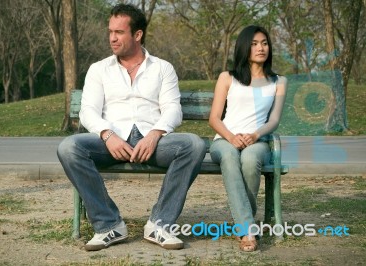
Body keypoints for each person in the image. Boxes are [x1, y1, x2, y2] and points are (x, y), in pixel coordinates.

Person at [57, 4, 206, 251]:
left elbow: (172, 110)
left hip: (153, 143)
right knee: (69, 147)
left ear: (137, 35)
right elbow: (88, 112)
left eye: (119, 32)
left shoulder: (162, 68)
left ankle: (160, 225)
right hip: (111, 143)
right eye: (110, 31)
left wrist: (155, 134)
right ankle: (109, 226)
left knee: (194, 145)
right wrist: (108, 135)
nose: (112, 38)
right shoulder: (99, 69)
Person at [208, 25, 287, 252]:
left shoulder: (278, 81)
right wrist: (232, 138)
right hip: (224, 139)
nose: (261, 48)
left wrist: (254, 135)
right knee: (230, 157)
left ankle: (244, 226)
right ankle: (248, 228)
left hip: (258, 141)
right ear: (244, 47)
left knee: (251, 160)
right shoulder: (228, 77)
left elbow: (273, 120)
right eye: (254, 44)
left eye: (264, 43)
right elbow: (214, 118)